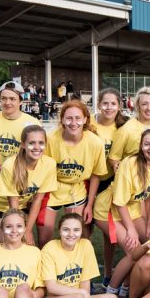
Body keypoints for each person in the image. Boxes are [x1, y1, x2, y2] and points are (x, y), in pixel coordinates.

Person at [94, 128, 150, 289]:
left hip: (132, 208)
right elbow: (119, 202)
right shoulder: (129, 164)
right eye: (147, 144)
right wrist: (131, 229)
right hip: (107, 210)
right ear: (141, 146)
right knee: (134, 250)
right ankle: (112, 289)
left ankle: (127, 287)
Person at [36, 213, 122, 298]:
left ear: (82, 231)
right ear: (60, 230)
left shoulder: (85, 245)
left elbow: (85, 283)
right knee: (77, 297)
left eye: (76, 230)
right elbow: (51, 288)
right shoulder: (50, 249)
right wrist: (81, 293)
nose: (71, 234)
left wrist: (83, 294)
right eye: (66, 229)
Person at [0, 124, 57, 245]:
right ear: (23, 144)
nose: (37, 147)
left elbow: (37, 200)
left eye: (41, 143)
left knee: (28, 245)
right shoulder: (10, 165)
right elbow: (13, 203)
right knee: (13, 243)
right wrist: (21, 231)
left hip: (21, 208)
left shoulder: (49, 164)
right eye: (32, 143)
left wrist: (28, 230)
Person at [42, 100, 108, 242]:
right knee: (44, 237)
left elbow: (96, 175)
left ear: (85, 119)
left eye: (78, 118)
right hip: (52, 189)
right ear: (62, 120)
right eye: (69, 118)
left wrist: (89, 205)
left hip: (76, 189)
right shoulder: (50, 139)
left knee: (75, 235)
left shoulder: (96, 143)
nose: (73, 123)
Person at [92, 88, 127, 279]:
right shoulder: (88, 122)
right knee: (84, 229)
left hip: (111, 181)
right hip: (89, 181)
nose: (109, 107)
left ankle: (107, 273)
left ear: (119, 106)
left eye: (113, 104)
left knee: (110, 233)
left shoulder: (123, 127)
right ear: (98, 104)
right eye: (105, 103)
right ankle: (83, 278)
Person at [0, 82, 39, 180]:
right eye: (4, 98)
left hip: (20, 181)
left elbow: (38, 156)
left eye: (12, 99)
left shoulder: (33, 123)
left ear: (21, 101)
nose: (7, 102)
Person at [107, 86, 150, 171]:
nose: (149, 108)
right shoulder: (126, 129)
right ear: (138, 105)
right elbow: (113, 158)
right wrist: (117, 166)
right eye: (144, 104)